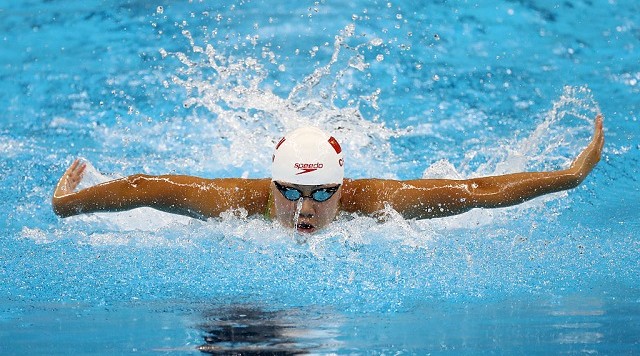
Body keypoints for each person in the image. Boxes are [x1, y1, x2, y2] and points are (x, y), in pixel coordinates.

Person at [53, 114, 604, 234]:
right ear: (269, 184)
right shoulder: (230, 202)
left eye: (321, 194)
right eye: (289, 191)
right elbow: (140, 187)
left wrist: (569, 175)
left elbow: (478, 192)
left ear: (343, 187)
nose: (303, 209)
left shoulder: (376, 201)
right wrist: (65, 204)